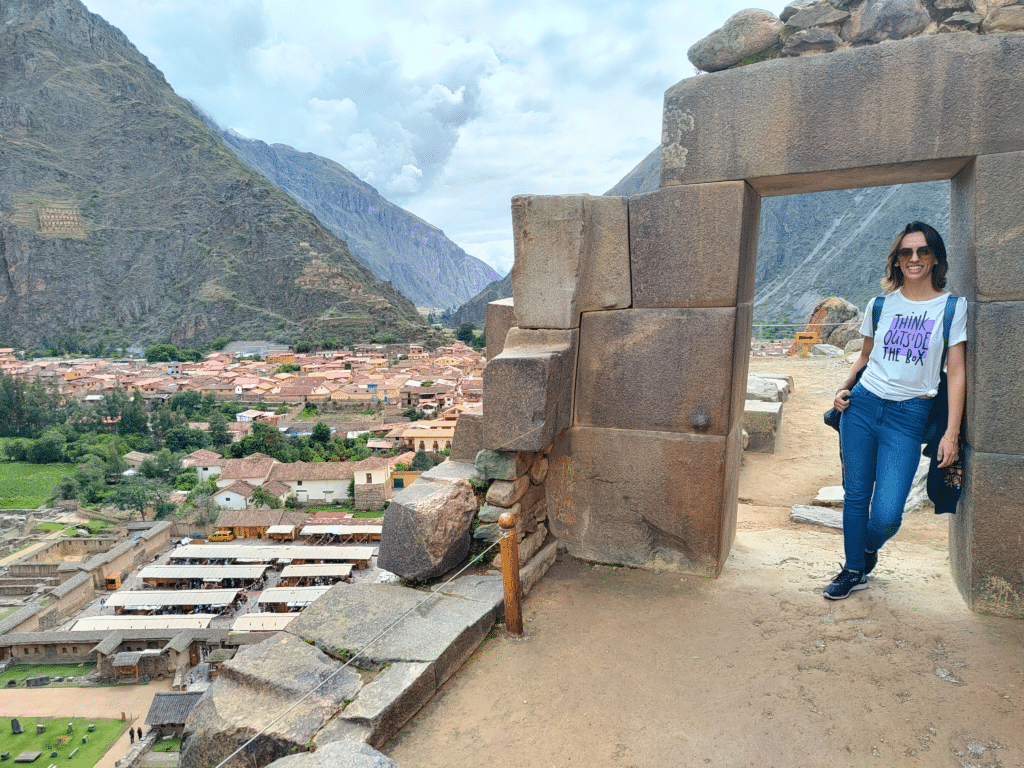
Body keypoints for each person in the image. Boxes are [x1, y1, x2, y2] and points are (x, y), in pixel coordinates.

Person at [823, 222, 967, 600]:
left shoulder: (952, 308)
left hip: (909, 416)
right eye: (906, 253)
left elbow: (956, 374)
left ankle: (867, 547)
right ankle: (853, 569)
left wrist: (950, 434)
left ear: (935, 256)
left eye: (922, 251)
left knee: (887, 515)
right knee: (855, 496)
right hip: (864, 406)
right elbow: (865, 357)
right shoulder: (881, 304)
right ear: (897, 260)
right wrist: (842, 389)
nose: (914, 259)